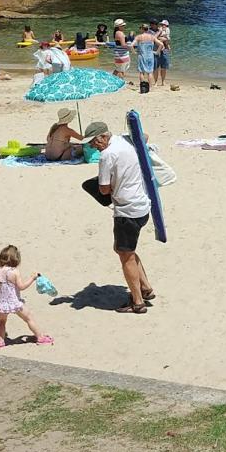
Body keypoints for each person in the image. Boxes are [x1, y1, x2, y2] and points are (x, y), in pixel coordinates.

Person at [83, 121, 156, 314]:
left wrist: (107, 186)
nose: (93, 147)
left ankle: (138, 302)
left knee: (125, 255)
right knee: (125, 250)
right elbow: (145, 136)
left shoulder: (107, 155)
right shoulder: (125, 140)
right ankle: (146, 288)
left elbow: (104, 189)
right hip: (142, 206)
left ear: (103, 137)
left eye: (94, 142)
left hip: (127, 210)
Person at [0, 245, 53, 347]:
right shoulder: (15, 272)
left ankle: (0, 341)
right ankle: (40, 337)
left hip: (2, 303)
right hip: (15, 303)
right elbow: (21, 287)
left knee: (1, 322)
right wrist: (32, 278)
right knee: (29, 318)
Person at [133, 23, 158, 91]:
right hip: (150, 56)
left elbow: (131, 45)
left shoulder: (139, 37)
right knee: (150, 72)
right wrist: (157, 52)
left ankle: (142, 86)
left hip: (142, 56)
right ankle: (150, 87)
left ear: (142, 29)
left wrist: (133, 52)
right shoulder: (152, 36)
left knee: (141, 72)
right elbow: (161, 44)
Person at [154, 20, 171, 86]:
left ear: (166, 25)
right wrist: (161, 38)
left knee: (164, 67)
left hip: (164, 49)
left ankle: (163, 82)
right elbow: (155, 38)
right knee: (156, 67)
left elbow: (167, 39)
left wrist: (162, 39)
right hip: (157, 48)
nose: (162, 25)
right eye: (161, 24)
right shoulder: (159, 29)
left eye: (163, 24)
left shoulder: (167, 30)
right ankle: (155, 82)